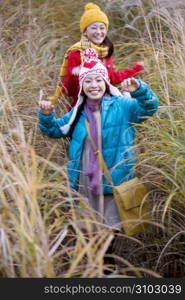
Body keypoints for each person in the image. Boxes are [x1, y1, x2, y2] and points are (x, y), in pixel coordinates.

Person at [38, 48, 158, 273]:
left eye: (98, 80)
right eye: (88, 81)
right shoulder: (78, 111)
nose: (94, 85)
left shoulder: (122, 105)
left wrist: (140, 90)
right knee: (91, 228)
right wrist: (45, 115)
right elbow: (55, 129)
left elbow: (149, 107)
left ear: (105, 82)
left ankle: (106, 269)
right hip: (85, 179)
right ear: (82, 86)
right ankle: (102, 269)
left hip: (113, 177)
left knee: (107, 229)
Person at [49, 2, 144, 108]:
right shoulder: (76, 53)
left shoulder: (104, 51)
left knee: (131, 102)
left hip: (107, 104)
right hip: (82, 109)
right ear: (85, 32)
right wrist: (77, 74)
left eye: (102, 28)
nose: (99, 32)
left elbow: (111, 78)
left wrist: (136, 70)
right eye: (94, 28)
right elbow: (68, 90)